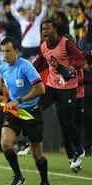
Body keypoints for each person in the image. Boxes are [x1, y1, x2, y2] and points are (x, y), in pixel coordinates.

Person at [0, 36, 51, 185]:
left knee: (37, 154)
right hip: (14, 111)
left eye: (8, 51)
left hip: (31, 111)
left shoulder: (26, 67)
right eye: (2, 52)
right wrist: (1, 95)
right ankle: (18, 176)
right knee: (5, 143)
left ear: (16, 51)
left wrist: (18, 100)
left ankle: (45, 184)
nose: (5, 55)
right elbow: (2, 80)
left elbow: (40, 89)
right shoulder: (3, 67)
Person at [33, 19, 86, 171]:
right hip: (51, 87)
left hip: (68, 89)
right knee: (36, 107)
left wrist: (72, 67)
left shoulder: (66, 43)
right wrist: (28, 72)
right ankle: (31, 141)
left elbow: (80, 60)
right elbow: (41, 63)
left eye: (47, 28)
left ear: (55, 29)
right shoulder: (43, 46)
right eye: (43, 29)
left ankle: (79, 150)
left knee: (68, 123)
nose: (44, 32)